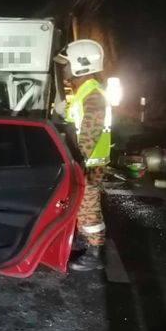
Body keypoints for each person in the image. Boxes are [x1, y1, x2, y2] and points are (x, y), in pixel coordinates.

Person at [54, 39, 111, 271]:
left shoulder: (93, 93)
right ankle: (90, 248)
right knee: (83, 206)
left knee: (88, 208)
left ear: (81, 63)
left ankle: (96, 253)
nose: (65, 69)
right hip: (87, 161)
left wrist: (80, 161)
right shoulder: (86, 91)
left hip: (90, 163)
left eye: (67, 64)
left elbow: (90, 131)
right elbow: (77, 121)